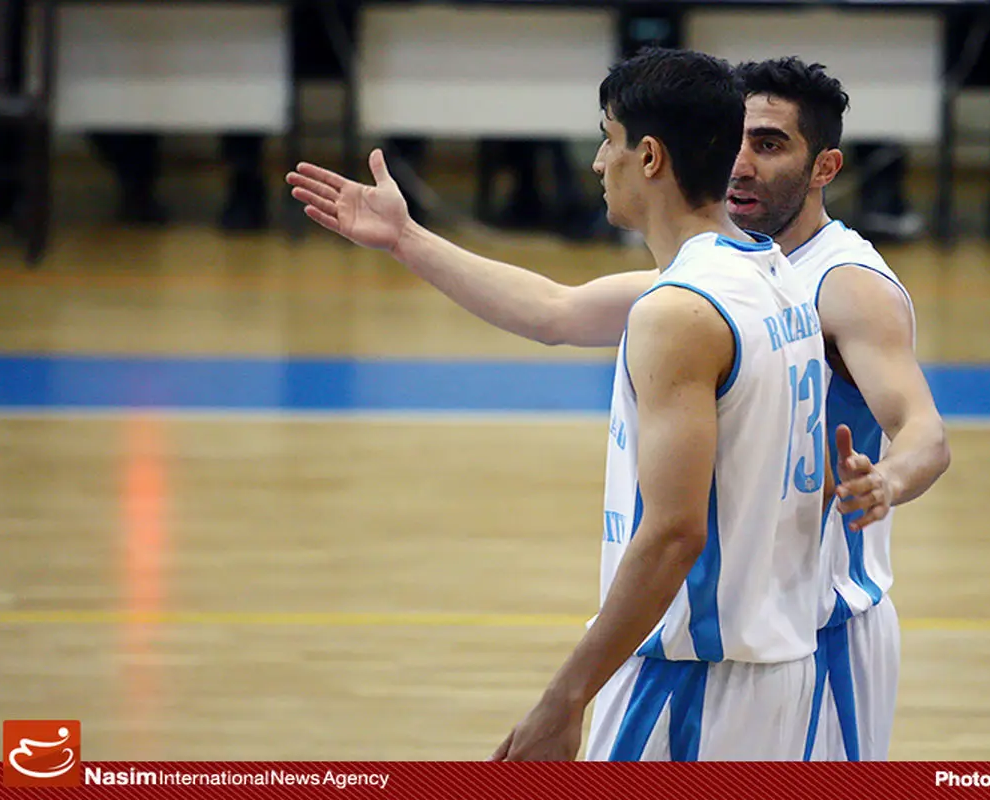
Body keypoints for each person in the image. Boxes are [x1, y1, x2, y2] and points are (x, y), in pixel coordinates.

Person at [291, 54, 951, 761]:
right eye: (742, 140)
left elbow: (676, 533)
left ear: (650, 156)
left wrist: (564, 698)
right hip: (770, 650)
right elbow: (554, 309)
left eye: (608, 139)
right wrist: (406, 237)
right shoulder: (773, 278)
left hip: (727, 660)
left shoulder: (766, 293)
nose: (599, 161)